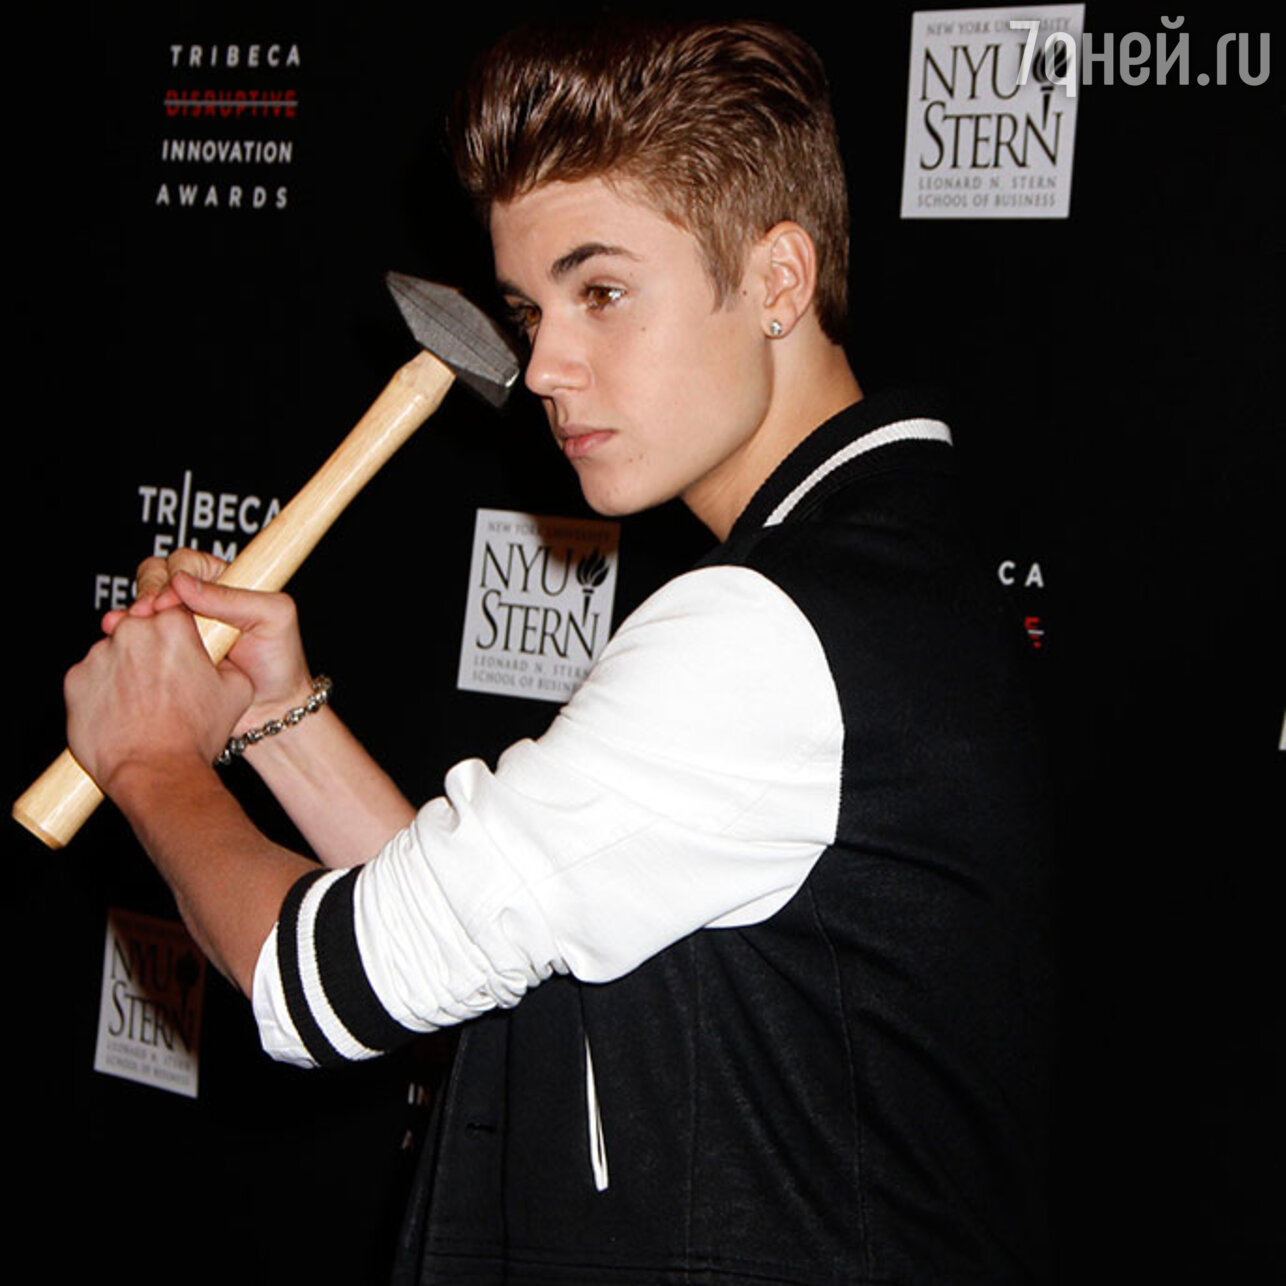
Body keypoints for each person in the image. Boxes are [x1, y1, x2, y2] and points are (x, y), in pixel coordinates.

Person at [65, 18, 1052, 1285]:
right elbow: (494, 938)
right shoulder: (878, 561)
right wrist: (275, 713)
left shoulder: (767, 629)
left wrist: (149, 758)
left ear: (776, 279)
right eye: (530, 309)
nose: (541, 366)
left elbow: (317, 984)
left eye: (602, 292)